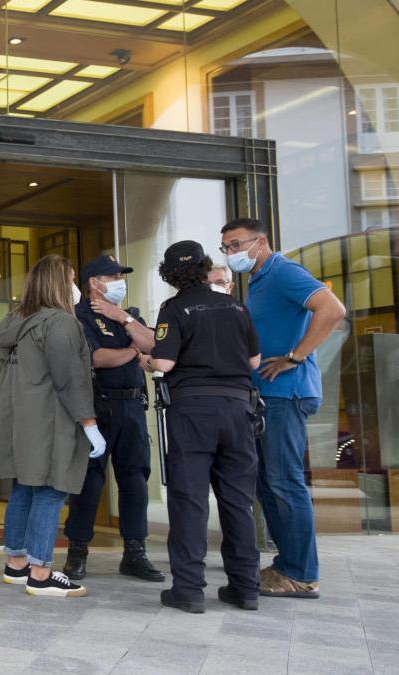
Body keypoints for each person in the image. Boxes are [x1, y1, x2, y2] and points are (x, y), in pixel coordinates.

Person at [220, 217, 345, 599]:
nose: (231, 253)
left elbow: (332, 309)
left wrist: (295, 356)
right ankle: (287, 565)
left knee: (283, 480)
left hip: (285, 393)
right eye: (225, 247)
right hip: (267, 395)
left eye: (237, 244)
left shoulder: (284, 271)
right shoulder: (258, 280)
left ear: (261, 242)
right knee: (269, 482)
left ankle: (302, 574)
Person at [148, 240, 262, 614]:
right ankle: (246, 588)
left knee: (190, 502)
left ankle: (190, 590)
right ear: (205, 266)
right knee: (237, 503)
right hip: (237, 409)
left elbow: (164, 363)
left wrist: (147, 359)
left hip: (194, 411)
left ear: (169, 274)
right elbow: (254, 359)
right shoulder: (235, 306)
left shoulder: (174, 308)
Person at [0, 254, 105, 598]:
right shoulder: (60, 323)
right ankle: (40, 573)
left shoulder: (16, 323)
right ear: (58, 284)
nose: (75, 287)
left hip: (18, 422)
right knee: (51, 490)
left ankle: (16, 564)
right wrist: (89, 423)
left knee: (24, 488)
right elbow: (70, 379)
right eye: (70, 279)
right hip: (50, 421)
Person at [62, 255, 164, 583]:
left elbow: (155, 346)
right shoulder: (79, 317)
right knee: (89, 480)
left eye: (121, 274)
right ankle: (77, 551)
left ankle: (135, 552)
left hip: (132, 407)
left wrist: (124, 319)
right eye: (113, 275)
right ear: (94, 283)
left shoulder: (129, 316)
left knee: (134, 479)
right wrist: (135, 353)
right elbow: (98, 358)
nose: (119, 280)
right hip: (97, 407)